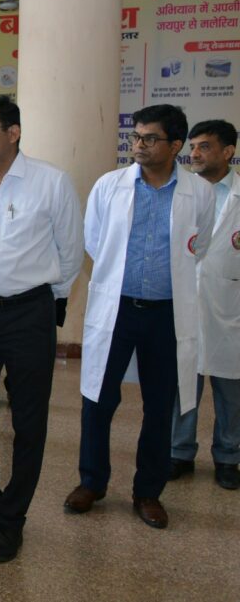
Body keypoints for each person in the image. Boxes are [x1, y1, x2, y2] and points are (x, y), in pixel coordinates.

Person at [64, 104, 216, 529]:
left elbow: (199, 245)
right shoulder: (109, 185)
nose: (139, 145)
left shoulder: (199, 193)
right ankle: (92, 482)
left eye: (150, 139)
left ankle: (148, 491)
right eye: (136, 137)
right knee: (98, 398)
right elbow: (94, 240)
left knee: (160, 404)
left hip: (167, 314)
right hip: (117, 309)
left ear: (175, 145)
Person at [0, 95, 82, 563]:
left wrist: (43, 298)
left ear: (13, 133)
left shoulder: (51, 182)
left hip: (28, 313)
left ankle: (12, 520)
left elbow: (71, 253)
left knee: (28, 420)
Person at [169, 120, 240, 490]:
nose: (194, 154)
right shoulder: (181, 193)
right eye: (192, 146)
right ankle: (179, 452)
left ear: (228, 152)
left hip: (232, 308)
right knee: (183, 384)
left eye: (204, 146)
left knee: (232, 391)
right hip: (185, 304)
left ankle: (228, 457)